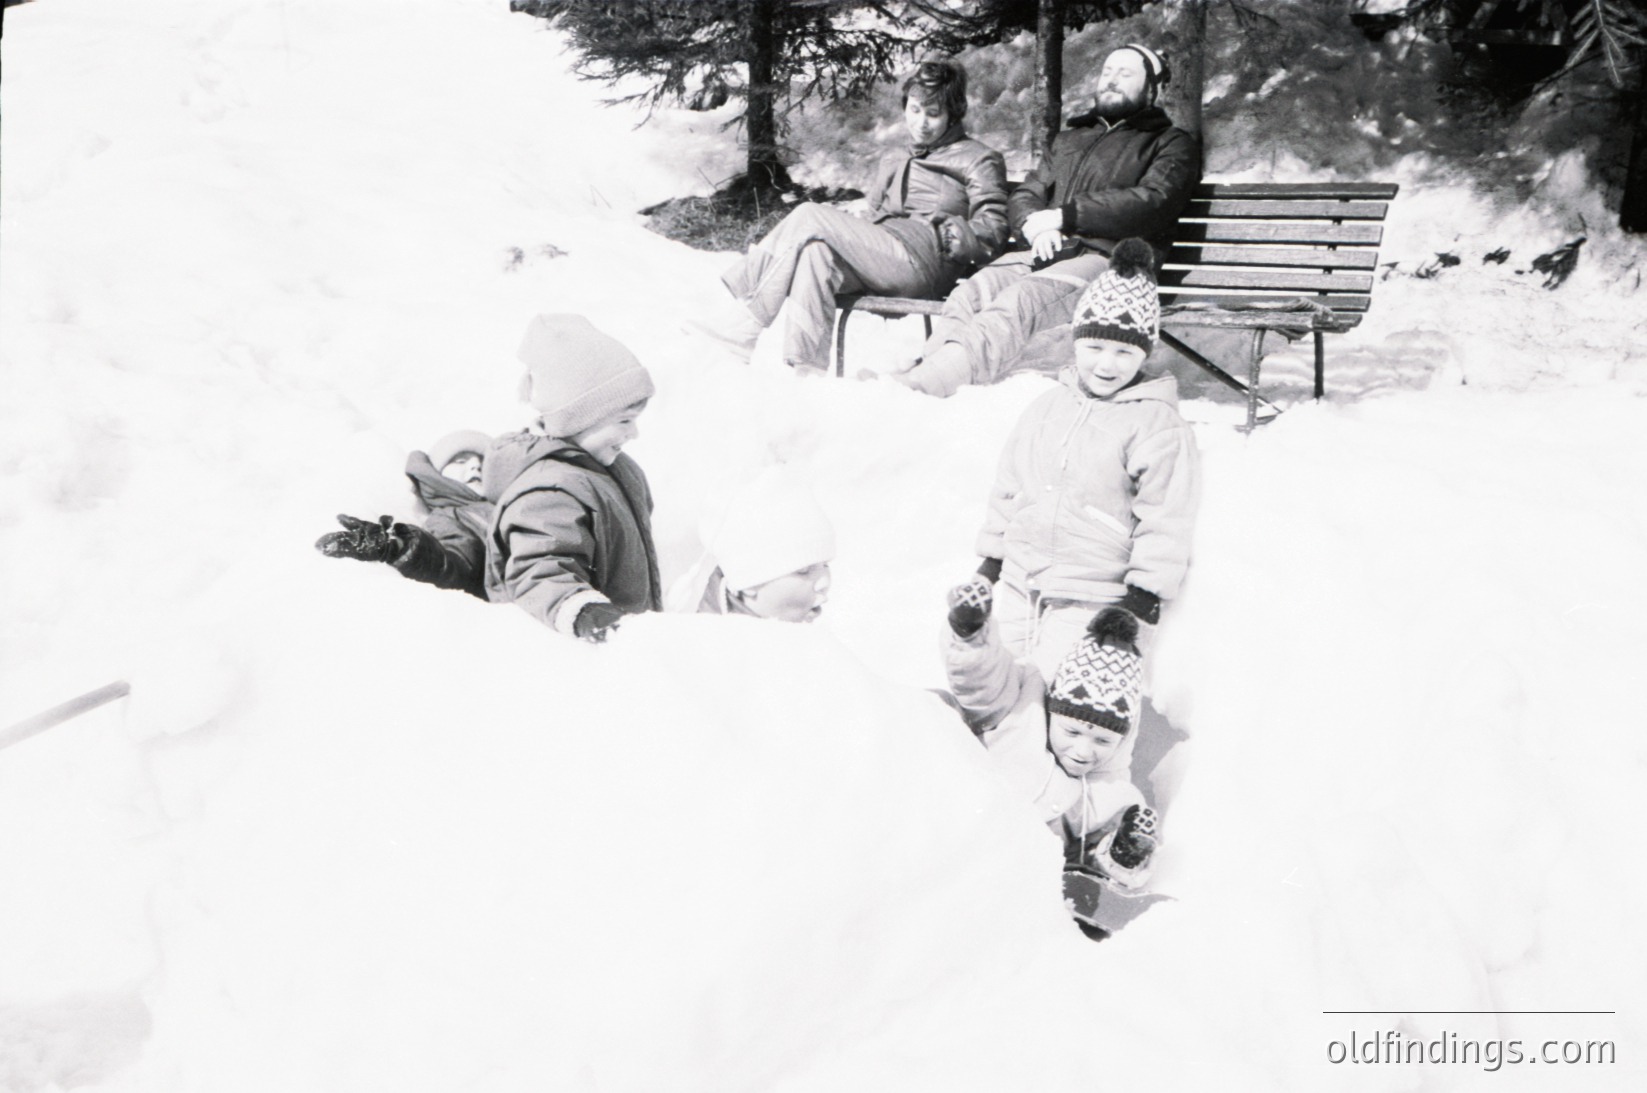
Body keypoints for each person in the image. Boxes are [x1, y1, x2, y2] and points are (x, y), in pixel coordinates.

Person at [894, 43, 1200, 397]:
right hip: (1045, 251)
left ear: (1152, 89)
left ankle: (925, 387)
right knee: (972, 292)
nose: (1112, 80)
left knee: (1021, 300)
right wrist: (1033, 225)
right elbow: (1027, 193)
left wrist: (1065, 217)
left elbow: (1153, 202)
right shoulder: (1070, 139)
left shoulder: (1171, 143)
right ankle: (934, 372)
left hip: (1109, 261)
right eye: (1107, 72)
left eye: (1126, 73)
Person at [686, 58, 1009, 374]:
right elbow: (875, 214)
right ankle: (806, 371)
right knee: (816, 254)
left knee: (809, 214)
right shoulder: (896, 157)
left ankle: (742, 325)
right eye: (914, 110)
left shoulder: (978, 158)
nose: (921, 122)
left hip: (924, 263)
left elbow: (992, 228)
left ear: (954, 112)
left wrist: (949, 234)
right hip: (886, 255)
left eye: (933, 113)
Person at [967, 238, 1199, 676]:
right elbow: (1010, 487)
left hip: (1091, 594)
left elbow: (1167, 515)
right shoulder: (1045, 408)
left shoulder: (1155, 423)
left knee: (1053, 690)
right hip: (1021, 583)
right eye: (1095, 347)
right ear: (1075, 344)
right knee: (997, 684)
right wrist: (992, 560)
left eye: (1124, 351)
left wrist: (1145, 593)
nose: (1107, 364)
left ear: (1144, 353)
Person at [943, 589, 1160, 939]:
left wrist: (1123, 852)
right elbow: (983, 685)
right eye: (1072, 731)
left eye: (1103, 740)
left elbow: (1098, 829)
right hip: (980, 838)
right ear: (1052, 708)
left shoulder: (1104, 783)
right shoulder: (1017, 716)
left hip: (1041, 865)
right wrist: (971, 637)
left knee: (1106, 822)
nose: (1084, 751)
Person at [482, 314, 661, 642]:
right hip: (586, 653)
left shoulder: (616, 470)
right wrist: (585, 613)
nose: (634, 433)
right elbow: (539, 569)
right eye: (624, 421)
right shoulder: (550, 491)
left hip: (629, 646)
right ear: (578, 418)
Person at [314, 429, 495, 599]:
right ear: (436, 474)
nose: (475, 467)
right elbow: (457, 567)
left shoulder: (505, 501)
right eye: (461, 461)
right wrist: (400, 547)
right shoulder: (448, 517)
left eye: (482, 462)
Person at [665, 466, 836, 622]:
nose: (824, 582)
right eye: (803, 571)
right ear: (748, 585)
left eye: (825, 565)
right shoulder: (711, 651)